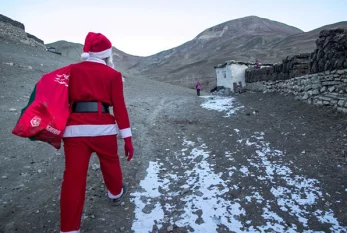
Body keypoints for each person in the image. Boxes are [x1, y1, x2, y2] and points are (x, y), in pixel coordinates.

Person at [60, 32, 134, 233]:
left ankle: (69, 229)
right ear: (106, 54)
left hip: (74, 130)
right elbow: (120, 108)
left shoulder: (71, 71)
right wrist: (127, 138)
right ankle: (115, 193)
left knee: (73, 179)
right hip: (103, 128)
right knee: (110, 163)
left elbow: (60, 99)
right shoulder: (113, 75)